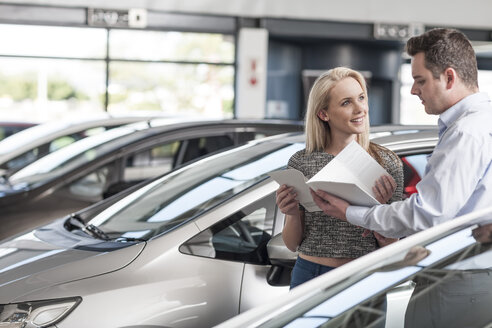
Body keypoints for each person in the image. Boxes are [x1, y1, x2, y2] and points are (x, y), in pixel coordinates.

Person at [310, 28, 492, 239]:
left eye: (421, 80)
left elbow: (427, 216)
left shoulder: (465, 133)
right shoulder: (482, 120)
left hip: (466, 266)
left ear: (449, 78)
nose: (414, 90)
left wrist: (349, 212)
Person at [276, 67, 404, 289]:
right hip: (310, 274)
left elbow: (392, 245)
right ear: (323, 114)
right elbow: (291, 244)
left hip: (363, 275)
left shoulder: (387, 163)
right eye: (346, 103)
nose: (360, 109)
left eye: (361, 98)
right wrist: (292, 214)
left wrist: (379, 212)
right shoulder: (302, 162)